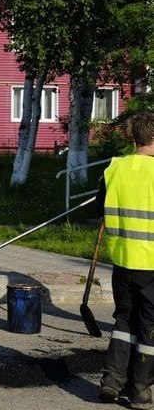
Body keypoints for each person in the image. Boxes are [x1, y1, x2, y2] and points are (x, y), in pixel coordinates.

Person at [97, 111, 154, 408]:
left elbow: (101, 207)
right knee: (148, 328)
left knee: (123, 321)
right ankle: (140, 391)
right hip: (152, 265)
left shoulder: (114, 169)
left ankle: (111, 381)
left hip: (122, 260)